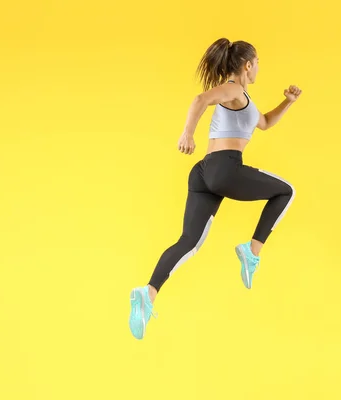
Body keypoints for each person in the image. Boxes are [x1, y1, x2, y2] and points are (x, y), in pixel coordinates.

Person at [129, 38, 302, 340]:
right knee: (286, 191)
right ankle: (252, 252)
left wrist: (288, 101)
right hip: (224, 167)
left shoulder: (244, 99)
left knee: (189, 242)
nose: (259, 67)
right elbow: (200, 100)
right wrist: (187, 133)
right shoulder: (233, 89)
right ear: (249, 64)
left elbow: (264, 123)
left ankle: (148, 294)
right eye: (258, 62)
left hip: (204, 174)